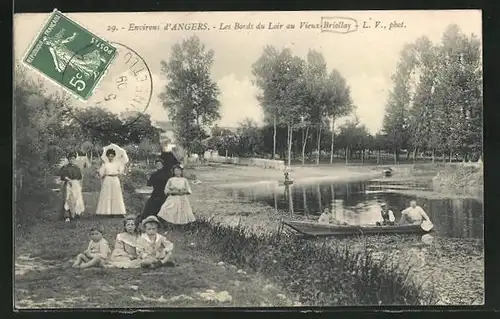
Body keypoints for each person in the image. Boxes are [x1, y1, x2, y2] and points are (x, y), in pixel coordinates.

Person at [95, 149, 126, 216]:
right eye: (109, 156)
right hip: (107, 180)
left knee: (116, 195)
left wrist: (122, 164)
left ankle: (118, 212)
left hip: (115, 179)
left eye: (112, 156)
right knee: (108, 195)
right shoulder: (105, 164)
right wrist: (98, 172)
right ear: (107, 156)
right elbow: (101, 173)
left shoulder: (117, 163)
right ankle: (108, 212)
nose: (110, 158)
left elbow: (121, 171)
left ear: (114, 156)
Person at [59, 153, 85, 222]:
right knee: (68, 198)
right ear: (68, 159)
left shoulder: (77, 168)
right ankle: (67, 215)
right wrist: (68, 180)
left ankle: (76, 213)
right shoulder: (65, 167)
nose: (72, 160)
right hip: (68, 184)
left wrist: (79, 185)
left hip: (75, 184)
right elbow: (63, 176)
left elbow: (79, 177)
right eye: (70, 159)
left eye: (73, 158)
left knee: (77, 198)